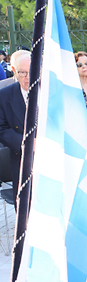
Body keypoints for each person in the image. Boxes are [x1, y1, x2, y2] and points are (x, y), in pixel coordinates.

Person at [0, 50, 31, 200]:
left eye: (32, 72)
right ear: (14, 71)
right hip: (22, 162)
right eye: (22, 73)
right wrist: (28, 144)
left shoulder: (53, 92)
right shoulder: (4, 95)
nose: (28, 78)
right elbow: (1, 129)